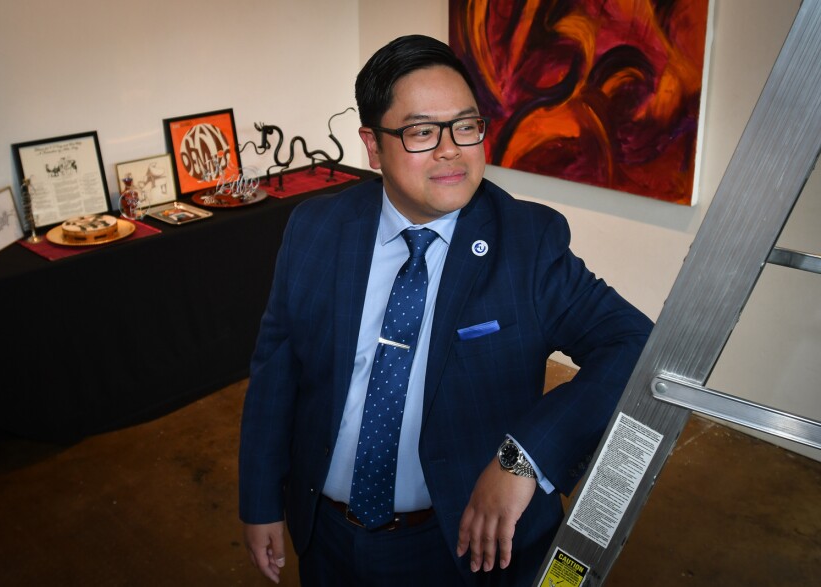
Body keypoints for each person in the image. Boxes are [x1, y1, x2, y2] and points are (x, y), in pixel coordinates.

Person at [239, 34, 653, 586]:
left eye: (465, 125)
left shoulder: (526, 243)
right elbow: (276, 375)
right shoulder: (316, 230)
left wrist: (523, 459)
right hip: (326, 535)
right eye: (420, 131)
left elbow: (636, 344)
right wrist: (262, 500)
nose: (450, 148)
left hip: (459, 549)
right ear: (372, 144)